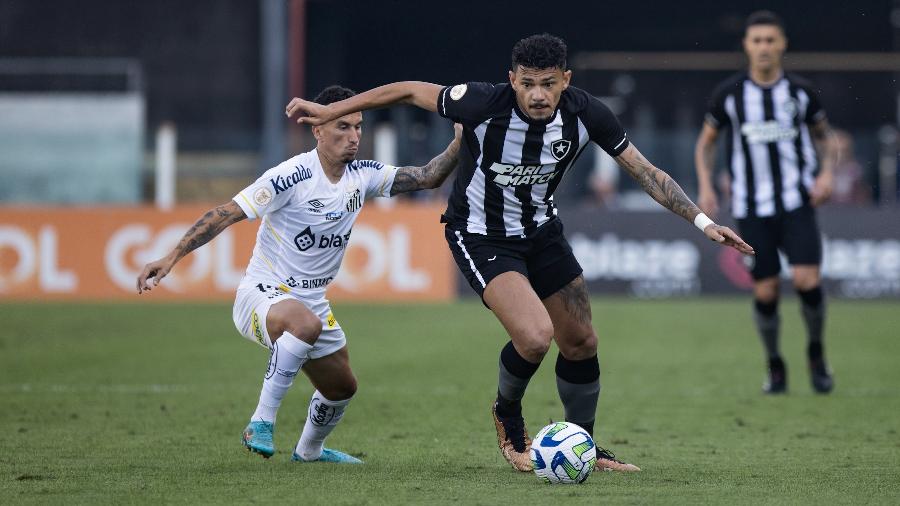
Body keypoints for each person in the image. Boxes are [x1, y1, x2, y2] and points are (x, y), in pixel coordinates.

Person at [287, 34, 753, 473]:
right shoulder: (481, 102)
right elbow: (408, 91)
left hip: (542, 233)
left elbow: (646, 173)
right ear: (512, 80)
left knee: (582, 342)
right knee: (535, 338)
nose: (537, 94)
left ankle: (583, 447)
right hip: (480, 235)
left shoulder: (586, 113)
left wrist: (704, 222)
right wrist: (330, 109)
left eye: (548, 83)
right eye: (527, 83)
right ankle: (508, 416)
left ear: (565, 80)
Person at [137, 85, 461, 462]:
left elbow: (426, 177)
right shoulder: (291, 176)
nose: (354, 136)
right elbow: (226, 213)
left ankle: (309, 451)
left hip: (312, 303)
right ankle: (261, 421)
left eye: (358, 126)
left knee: (342, 388)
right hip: (262, 294)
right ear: (317, 130)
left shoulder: (363, 175)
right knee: (304, 325)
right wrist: (172, 256)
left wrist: (458, 143)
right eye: (342, 127)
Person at [694, 11, 837, 394]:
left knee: (808, 280)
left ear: (782, 45)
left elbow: (825, 138)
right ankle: (775, 365)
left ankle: (817, 355)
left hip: (797, 204)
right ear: (746, 46)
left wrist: (826, 175)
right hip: (752, 209)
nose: (763, 48)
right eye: (756, 41)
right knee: (766, 291)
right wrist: (706, 186)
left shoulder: (801, 92)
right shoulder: (730, 94)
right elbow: (705, 143)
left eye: (770, 40)